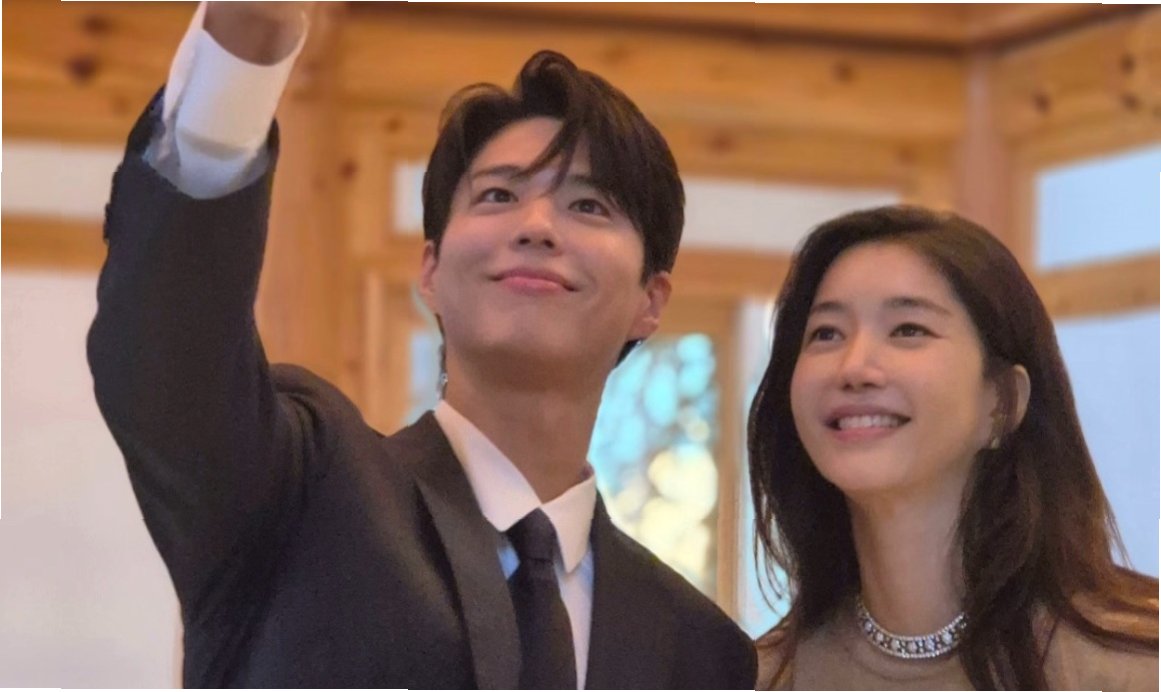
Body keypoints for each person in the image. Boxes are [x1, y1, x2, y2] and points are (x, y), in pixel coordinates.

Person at [87, 2, 755, 688]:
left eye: (587, 205)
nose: (535, 225)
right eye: (497, 196)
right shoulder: (299, 486)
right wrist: (244, 49)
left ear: (651, 301)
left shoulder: (701, 652)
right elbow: (170, 352)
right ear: (430, 271)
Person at [747, 205, 1158, 689]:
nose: (853, 367)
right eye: (826, 334)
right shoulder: (762, 676)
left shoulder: (1136, 662)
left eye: (908, 330)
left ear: (1003, 401)